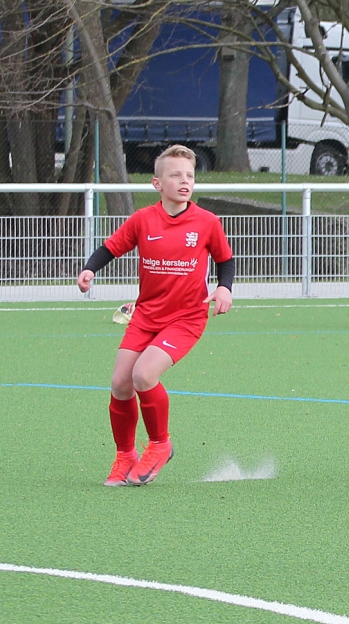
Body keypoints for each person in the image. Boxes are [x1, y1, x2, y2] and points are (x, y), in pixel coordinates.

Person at [77, 145, 234, 486]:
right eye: (175, 175)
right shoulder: (143, 220)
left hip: (186, 318)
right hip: (146, 315)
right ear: (157, 183)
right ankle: (125, 456)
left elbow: (225, 260)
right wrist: (90, 269)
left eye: (189, 175)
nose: (184, 181)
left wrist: (224, 288)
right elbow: (110, 248)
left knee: (144, 375)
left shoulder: (207, 222)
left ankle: (160, 445)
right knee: (120, 384)